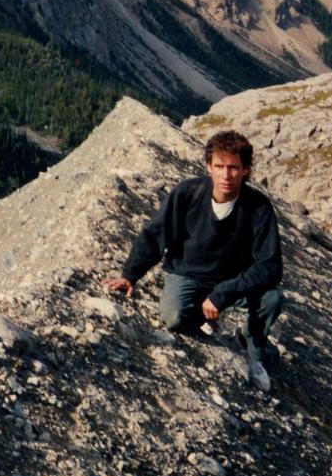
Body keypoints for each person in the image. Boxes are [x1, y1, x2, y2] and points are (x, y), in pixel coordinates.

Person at [103, 130, 282, 391]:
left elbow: (270, 266)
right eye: (219, 166)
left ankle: (254, 353)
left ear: (246, 170)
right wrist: (129, 275)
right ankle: (204, 317)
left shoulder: (258, 207)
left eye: (233, 167)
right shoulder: (188, 194)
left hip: (232, 282)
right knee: (173, 317)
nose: (226, 174)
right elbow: (155, 236)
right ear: (208, 166)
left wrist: (223, 293)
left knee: (272, 298)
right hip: (189, 274)